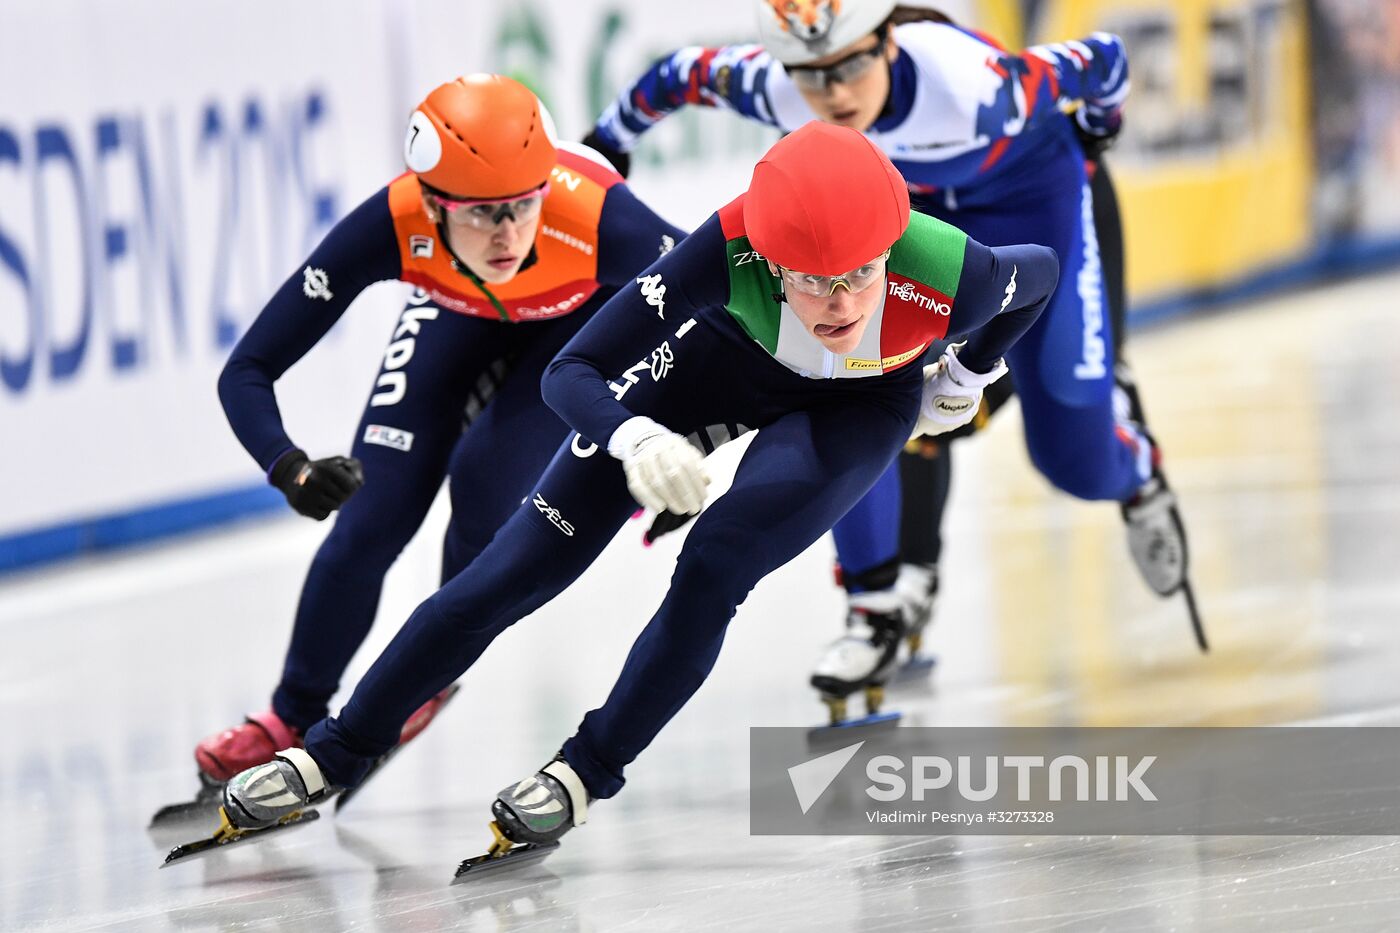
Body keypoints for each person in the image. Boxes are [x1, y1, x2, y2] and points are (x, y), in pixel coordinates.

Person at [206, 122, 1060, 859]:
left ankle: (587, 769)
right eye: (809, 279)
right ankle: (332, 750)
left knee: (716, 564)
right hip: (718, 369)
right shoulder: (724, 247)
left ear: (892, 249)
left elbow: (1044, 271)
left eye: (859, 278)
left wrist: (973, 369)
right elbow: (574, 369)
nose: (836, 303)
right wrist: (635, 433)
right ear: (768, 258)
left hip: (859, 406)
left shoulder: (955, 271)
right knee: (514, 566)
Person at [581, 0, 1197, 722]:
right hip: (893, 226)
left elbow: (1105, 64)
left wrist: (1094, 141)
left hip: (1031, 206)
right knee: (848, 376)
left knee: (1074, 458)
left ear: (890, 41)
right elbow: (676, 77)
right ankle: (873, 601)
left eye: (851, 65)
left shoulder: (977, 86)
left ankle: (1133, 460)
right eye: (811, 76)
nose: (834, 93)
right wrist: (603, 149)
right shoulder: (774, 84)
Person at [190, 74, 685, 790]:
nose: (509, 234)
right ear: (430, 203)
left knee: (486, 485)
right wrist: (288, 465)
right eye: (483, 215)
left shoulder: (601, 218)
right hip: (456, 314)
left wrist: (668, 444)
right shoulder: (393, 222)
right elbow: (249, 367)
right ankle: (288, 717)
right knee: (368, 520)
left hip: (579, 328)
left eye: (523, 207)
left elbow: (721, 314)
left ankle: (424, 669)